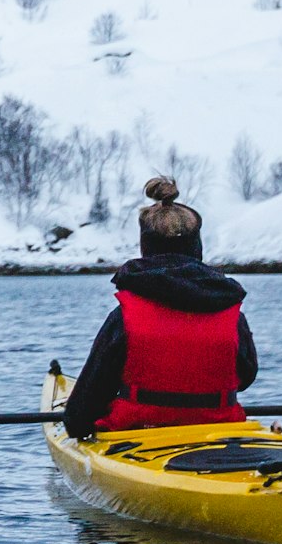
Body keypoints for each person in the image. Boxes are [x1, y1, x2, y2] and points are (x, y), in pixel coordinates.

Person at [61, 175, 257, 437]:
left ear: (146, 248)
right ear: (197, 248)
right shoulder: (232, 314)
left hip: (138, 435)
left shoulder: (123, 318)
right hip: (220, 433)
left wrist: (76, 425)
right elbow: (245, 378)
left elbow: (81, 412)